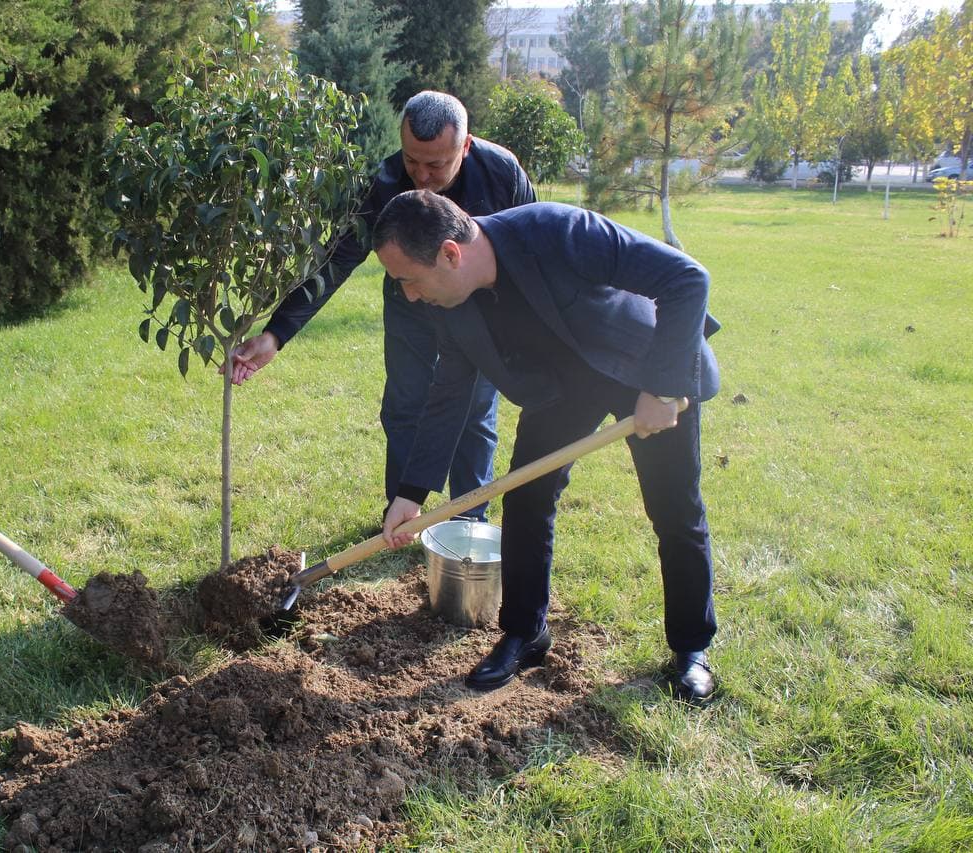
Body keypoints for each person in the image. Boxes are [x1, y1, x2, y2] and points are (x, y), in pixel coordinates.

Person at [374, 190, 721, 704]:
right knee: (527, 499)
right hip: (562, 386)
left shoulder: (557, 231)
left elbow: (688, 278)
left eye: (409, 279)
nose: (407, 295)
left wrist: (664, 387)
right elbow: (451, 391)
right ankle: (524, 632)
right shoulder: (449, 303)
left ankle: (691, 649)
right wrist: (411, 492)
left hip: (642, 366)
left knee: (674, 508)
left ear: (451, 253)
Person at [228, 91, 536, 521]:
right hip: (410, 303)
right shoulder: (385, 181)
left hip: (481, 310)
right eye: (413, 160)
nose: (422, 176)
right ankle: (402, 515)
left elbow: (528, 251)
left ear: (465, 147)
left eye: (436, 164)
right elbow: (335, 261)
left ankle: (468, 521)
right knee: (405, 403)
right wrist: (277, 333)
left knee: (474, 413)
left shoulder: (501, 174)